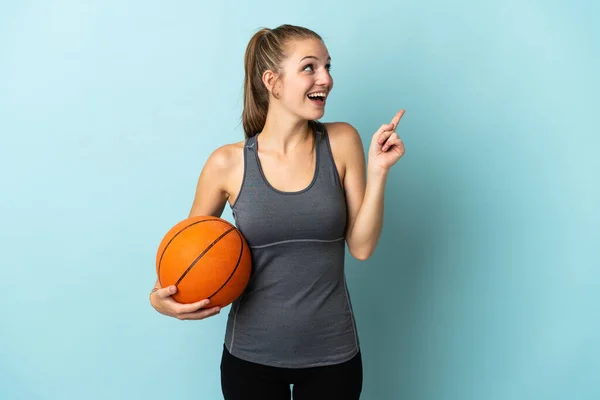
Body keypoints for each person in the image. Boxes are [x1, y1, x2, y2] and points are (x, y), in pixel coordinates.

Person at [149, 24, 405, 400]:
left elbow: (362, 247)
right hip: (249, 359)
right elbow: (188, 255)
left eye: (328, 67)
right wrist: (159, 298)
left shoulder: (342, 141)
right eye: (310, 67)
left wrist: (379, 170)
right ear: (273, 81)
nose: (326, 79)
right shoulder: (227, 164)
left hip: (333, 357)